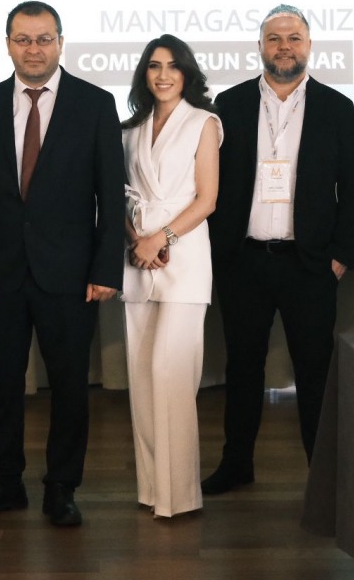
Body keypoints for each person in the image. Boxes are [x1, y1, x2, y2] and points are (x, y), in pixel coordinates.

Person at [0, 0, 126, 527]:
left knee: (70, 387)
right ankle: (3, 481)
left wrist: (105, 270)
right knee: (2, 385)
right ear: (8, 44)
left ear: (61, 43)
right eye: (23, 39)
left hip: (70, 276)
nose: (34, 49)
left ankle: (62, 486)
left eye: (44, 39)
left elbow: (110, 196)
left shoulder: (95, 104)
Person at [203, 4, 354, 494]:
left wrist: (340, 255)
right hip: (244, 261)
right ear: (260, 46)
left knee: (314, 373)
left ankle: (322, 474)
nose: (284, 47)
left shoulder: (337, 108)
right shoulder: (229, 104)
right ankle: (236, 464)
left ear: (309, 46)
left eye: (293, 38)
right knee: (242, 368)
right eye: (274, 38)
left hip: (309, 264)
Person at [120, 34, 222, 518]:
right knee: (142, 379)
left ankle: (179, 494)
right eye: (155, 66)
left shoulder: (204, 122)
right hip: (138, 257)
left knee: (171, 372)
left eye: (173, 66)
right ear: (144, 73)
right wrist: (137, 239)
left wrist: (161, 238)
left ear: (187, 73)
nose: (163, 75)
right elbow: (119, 195)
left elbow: (207, 199)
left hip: (183, 258)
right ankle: (152, 488)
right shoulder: (130, 129)